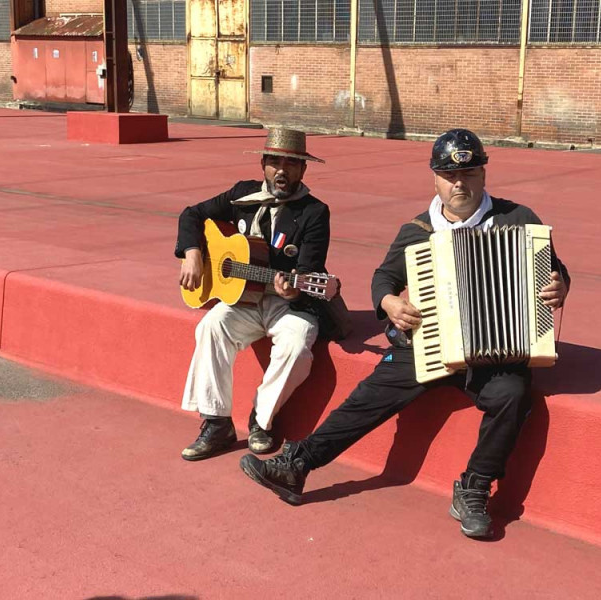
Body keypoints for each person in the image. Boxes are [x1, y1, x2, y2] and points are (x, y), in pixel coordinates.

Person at [238, 128, 570, 539]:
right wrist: (390, 304)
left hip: (498, 351)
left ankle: (474, 487)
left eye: (468, 173)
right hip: (428, 342)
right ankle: (296, 465)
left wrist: (559, 285)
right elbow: (383, 278)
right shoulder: (416, 231)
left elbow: (555, 270)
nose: (459, 183)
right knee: (370, 395)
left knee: (513, 395)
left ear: (484, 174)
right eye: (450, 175)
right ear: (434, 177)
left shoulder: (518, 220)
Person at [176, 128, 330, 460]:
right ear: (263, 164)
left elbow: (309, 269)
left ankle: (261, 419)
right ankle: (216, 423)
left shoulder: (314, 213)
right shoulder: (241, 196)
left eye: (290, 164)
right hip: (243, 300)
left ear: (303, 170)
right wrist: (192, 253)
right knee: (210, 327)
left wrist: (293, 288)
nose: (281, 171)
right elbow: (192, 214)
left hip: (286, 304)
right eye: (274, 162)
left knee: (298, 341)